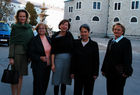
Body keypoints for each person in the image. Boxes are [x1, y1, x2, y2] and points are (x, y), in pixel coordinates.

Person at [101, 23, 133, 95]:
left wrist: (127, 72)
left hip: (120, 72)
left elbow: (128, 57)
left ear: (122, 32)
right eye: (115, 29)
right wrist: (103, 69)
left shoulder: (126, 42)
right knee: (110, 91)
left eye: (118, 30)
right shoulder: (111, 41)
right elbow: (107, 56)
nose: (116, 31)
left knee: (118, 92)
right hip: (110, 72)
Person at [8, 9, 34, 95]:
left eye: (24, 16)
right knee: (14, 76)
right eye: (20, 16)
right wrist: (11, 57)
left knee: (20, 76)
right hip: (16, 54)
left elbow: (32, 42)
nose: (22, 18)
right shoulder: (15, 27)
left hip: (26, 55)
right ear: (17, 17)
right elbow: (12, 42)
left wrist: (31, 55)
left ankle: (18, 94)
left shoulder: (30, 28)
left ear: (26, 17)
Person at [71, 24, 99, 95]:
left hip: (89, 74)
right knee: (77, 91)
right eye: (82, 32)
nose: (83, 34)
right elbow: (73, 59)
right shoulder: (76, 43)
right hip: (78, 73)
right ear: (80, 33)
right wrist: (72, 72)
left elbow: (96, 60)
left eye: (85, 32)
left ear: (89, 32)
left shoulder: (94, 44)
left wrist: (95, 73)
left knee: (88, 92)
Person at [51, 19, 74, 95]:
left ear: (68, 27)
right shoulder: (55, 36)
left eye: (66, 25)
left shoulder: (69, 35)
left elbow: (73, 48)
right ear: (60, 25)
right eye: (63, 24)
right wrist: (53, 64)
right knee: (57, 80)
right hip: (57, 60)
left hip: (68, 61)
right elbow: (53, 51)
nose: (64, 26)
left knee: (64, 81)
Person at [28, 23, 51, 95]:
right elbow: (30, 53)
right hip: (38, 65)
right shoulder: (34, 40)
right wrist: (40, 57)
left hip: (47, 65)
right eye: (40, 28)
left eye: (43, 28)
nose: (41, 30)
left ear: (45, 30)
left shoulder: (48, 39)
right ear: (37, 30)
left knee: (45, 84)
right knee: (38, 84)